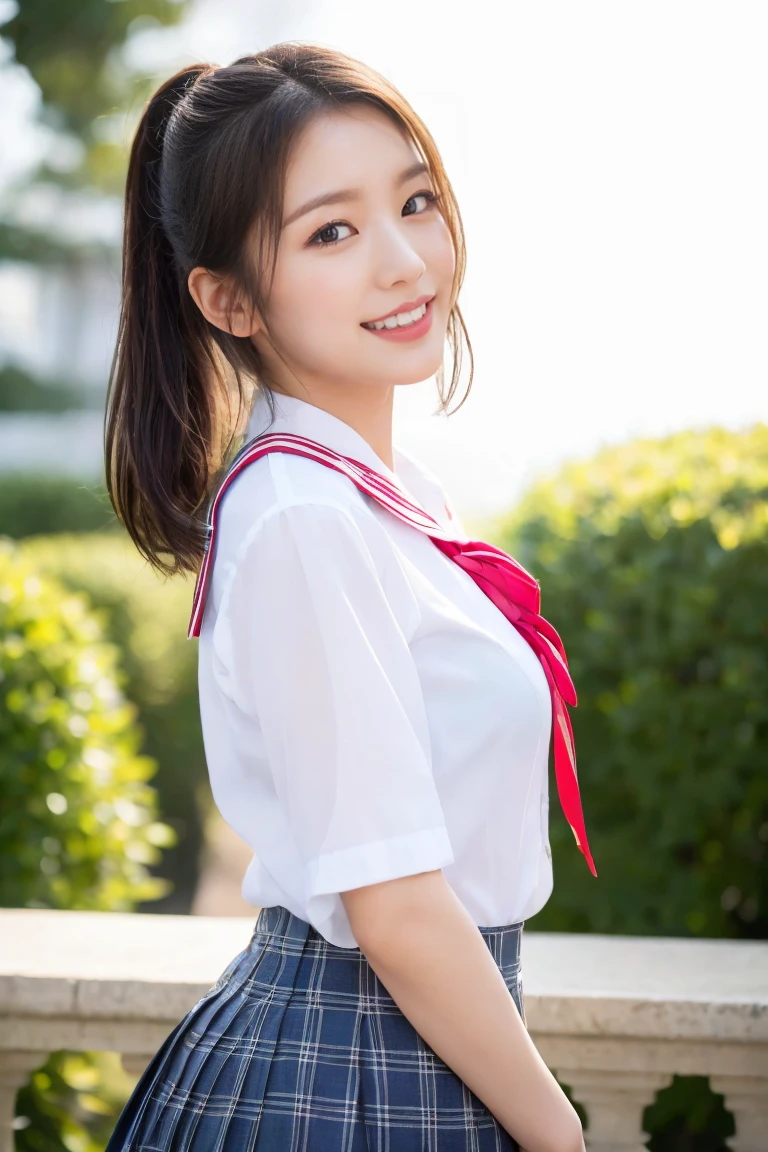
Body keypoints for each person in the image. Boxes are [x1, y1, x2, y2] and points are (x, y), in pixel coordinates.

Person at [103, 41, 590, 1152]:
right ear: (227, 299)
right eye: (332, 230)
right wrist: (559, 1135)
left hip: (404, 1053)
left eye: (415, 201)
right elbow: (400, 910)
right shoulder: (306, 519)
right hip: (355, 1072)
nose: (405, 259)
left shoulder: (370, 500)